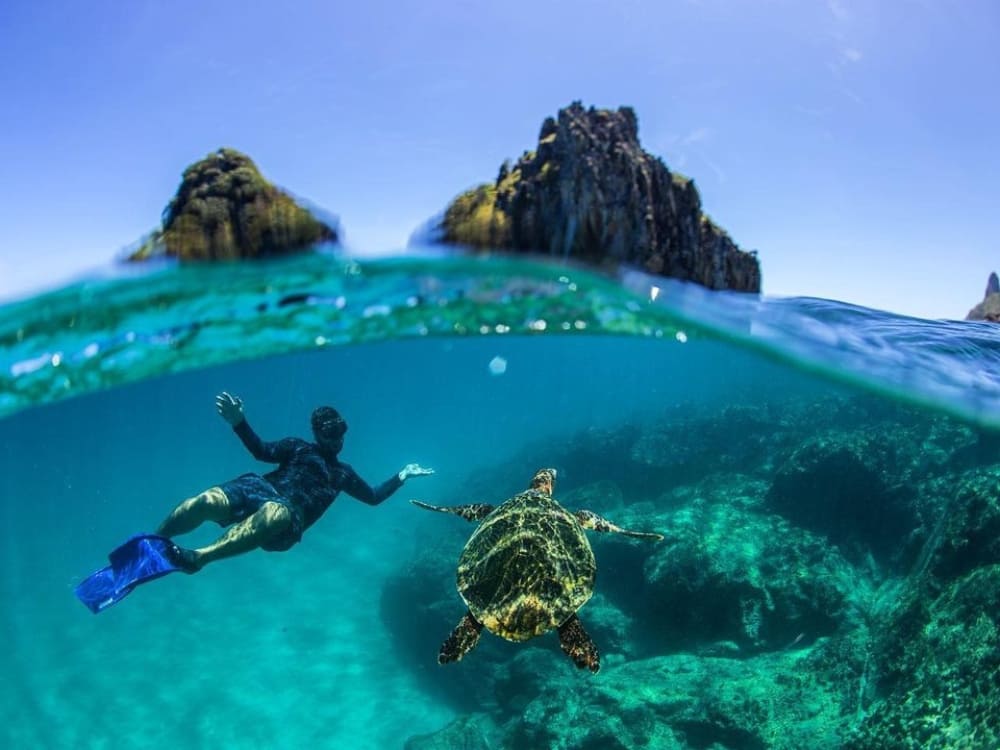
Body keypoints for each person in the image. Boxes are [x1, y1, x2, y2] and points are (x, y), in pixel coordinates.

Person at [157, 392, 434, 572]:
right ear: (317, 434)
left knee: (276, 512)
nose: (337, 440)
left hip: (288, 519)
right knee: (206, 501)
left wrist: (402, 476)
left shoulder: (343, 474)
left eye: (341, 432)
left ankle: (200, 557)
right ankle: (157, 540)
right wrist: (239, 421)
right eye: (330, 433)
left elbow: (373, 497)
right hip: (260, 489)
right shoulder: (297, 446)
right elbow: (261, 451)